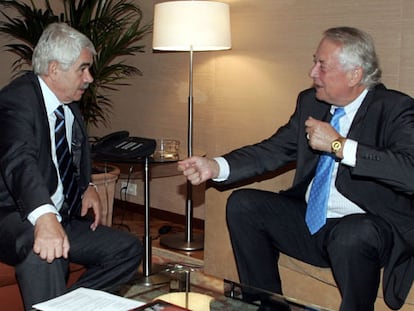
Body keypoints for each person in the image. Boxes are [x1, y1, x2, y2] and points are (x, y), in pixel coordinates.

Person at [178, 26, 414, 311]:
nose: (312, 72)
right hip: (314, 224)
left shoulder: (395, 108)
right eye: (315, 62)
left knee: (354, 233)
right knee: (243, 204)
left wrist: (339, 145)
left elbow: (408, 172)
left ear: (355, 74)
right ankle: (267, 305)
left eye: (322, 66)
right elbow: (273, 149)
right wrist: (216, 165)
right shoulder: (311, 102)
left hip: (368, 230)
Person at [0, 23, 142, 310]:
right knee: (43, 249)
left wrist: (86, 185)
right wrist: (43, 217)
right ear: (54, 69)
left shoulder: (68, 103)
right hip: (12, 214)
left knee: (127, 249)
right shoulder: (15, 101)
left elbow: (74, 151)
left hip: (61, 216)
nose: (89, 78)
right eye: (83, 68)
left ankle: (66, 305)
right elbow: (20, 161)